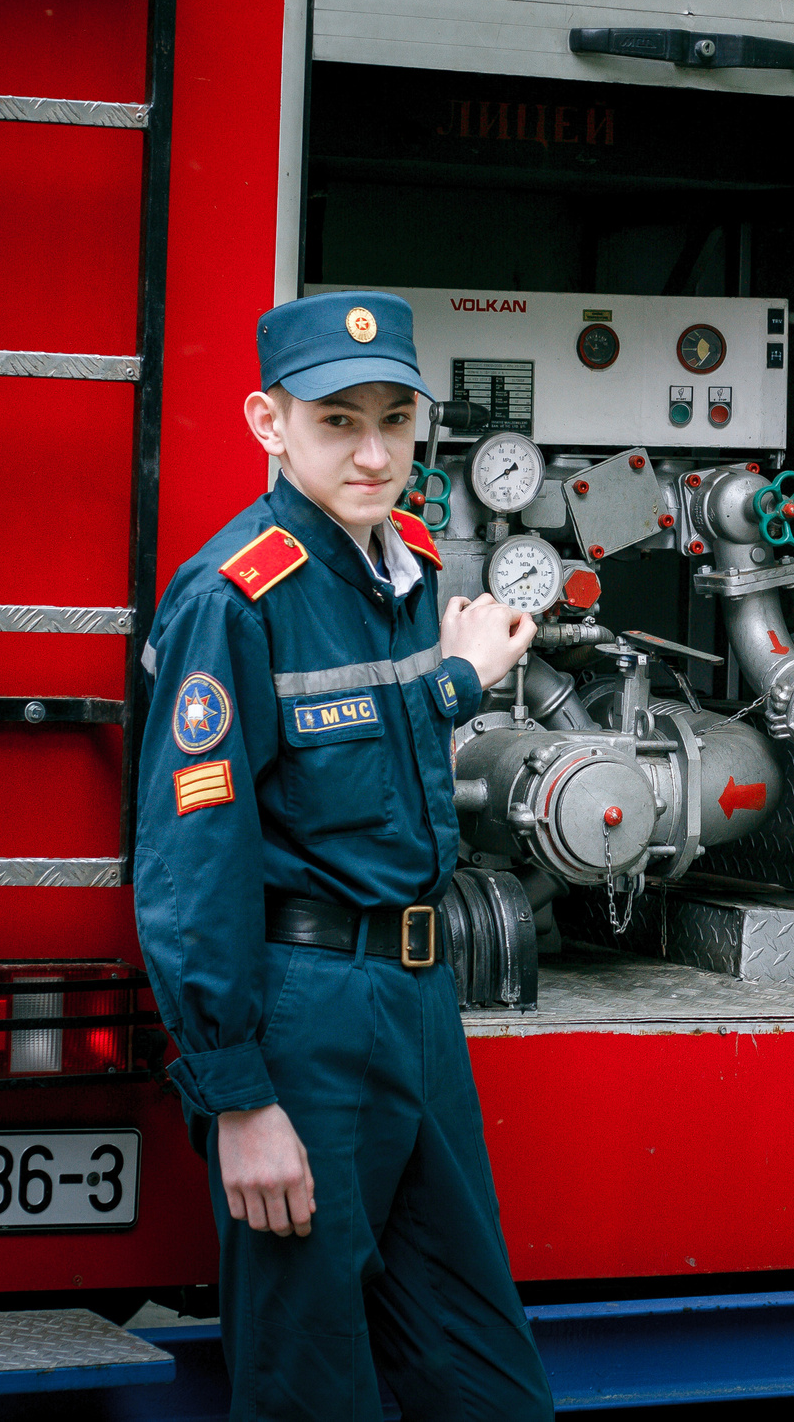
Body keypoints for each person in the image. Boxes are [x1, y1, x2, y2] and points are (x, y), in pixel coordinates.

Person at [133, 290, 552, 1421]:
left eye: (395, 421)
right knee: (311, 1384)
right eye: (337, 423)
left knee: (482, 1378)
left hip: (420, 1002)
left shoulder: (408, 568)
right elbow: (189, 863)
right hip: (304, 1017)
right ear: (269, 423)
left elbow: (379, 751)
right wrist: (239, 1098)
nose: (374, 454)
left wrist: (457, 679)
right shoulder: (233, 599)